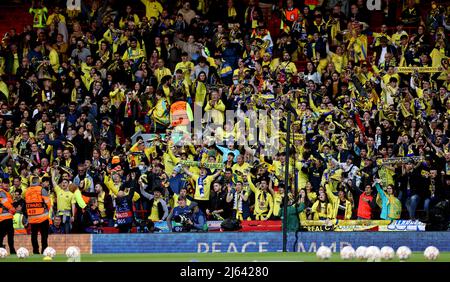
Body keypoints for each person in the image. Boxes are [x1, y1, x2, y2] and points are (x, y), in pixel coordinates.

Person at [24, 176, 51, 254]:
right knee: (44, 236)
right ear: (39, 182)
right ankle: (44, 251)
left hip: (32, 218)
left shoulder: (26, 191)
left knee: (34, 236)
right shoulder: (41, 189)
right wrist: (47, 209)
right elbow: (48, 203)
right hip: (42, 217)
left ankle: (35, 251)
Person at [0, 179, 16, 254]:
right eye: (5, 183)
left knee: (9, 235)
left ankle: (11, 250)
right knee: (4, 235)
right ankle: (11, 250)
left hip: (7, 217)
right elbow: (5, 202)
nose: (6, 185)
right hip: (3, 218)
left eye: (7, 183)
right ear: (2, 184)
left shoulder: (7, 193)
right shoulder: (1, 192)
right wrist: (12, 209)